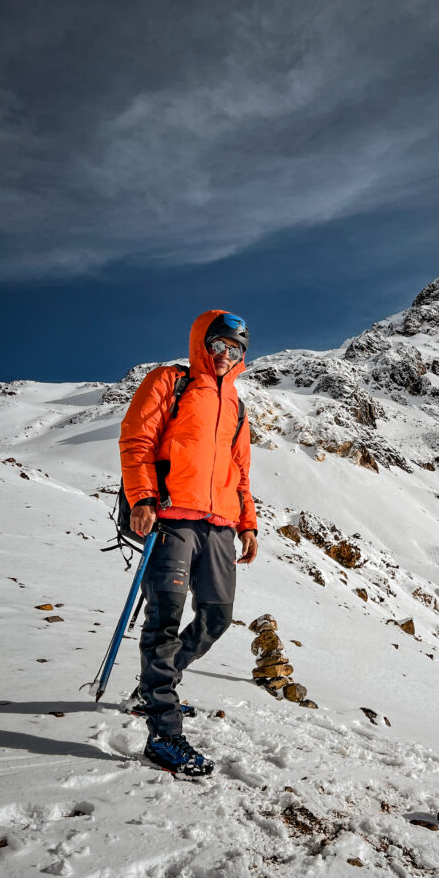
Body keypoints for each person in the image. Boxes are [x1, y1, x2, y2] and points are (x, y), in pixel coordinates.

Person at [119, 310, 258, 776]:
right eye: (218, 345)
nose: (224, 356)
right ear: (203, 343)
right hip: (172, 521)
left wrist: (248, 524)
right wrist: (142, 497)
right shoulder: (170, 381)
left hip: (220, 525)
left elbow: (241, 473)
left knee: (216, 617)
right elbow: (138, 441)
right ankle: (163, 733)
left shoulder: (237, 405)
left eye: (234, 350)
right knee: (164, 621)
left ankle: (153, 686)